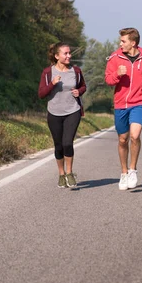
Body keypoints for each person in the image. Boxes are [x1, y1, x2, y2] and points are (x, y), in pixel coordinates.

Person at [105, 28, 142, 190]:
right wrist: (117, 74)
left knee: (135, 136)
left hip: (140, 102)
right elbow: (108, 80)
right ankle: (123, 173)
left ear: (133, 43)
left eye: (123, 41)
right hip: (121, 104)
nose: (120, 44)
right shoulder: (115, 58)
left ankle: (132, 170)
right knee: (123, 139)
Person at [38, 42, 87, 188]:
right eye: (65, 53)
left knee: (67, 143)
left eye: (69, 53)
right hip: (54, 113)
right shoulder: (48, 72)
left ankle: (70, 173)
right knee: (58, 145)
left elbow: (83, 85)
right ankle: (61, 174)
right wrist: (52, 83)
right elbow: (41, 94)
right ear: (57, 56)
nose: (69, 56)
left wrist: (80, 91)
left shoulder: (76, 71)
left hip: (73, 110)